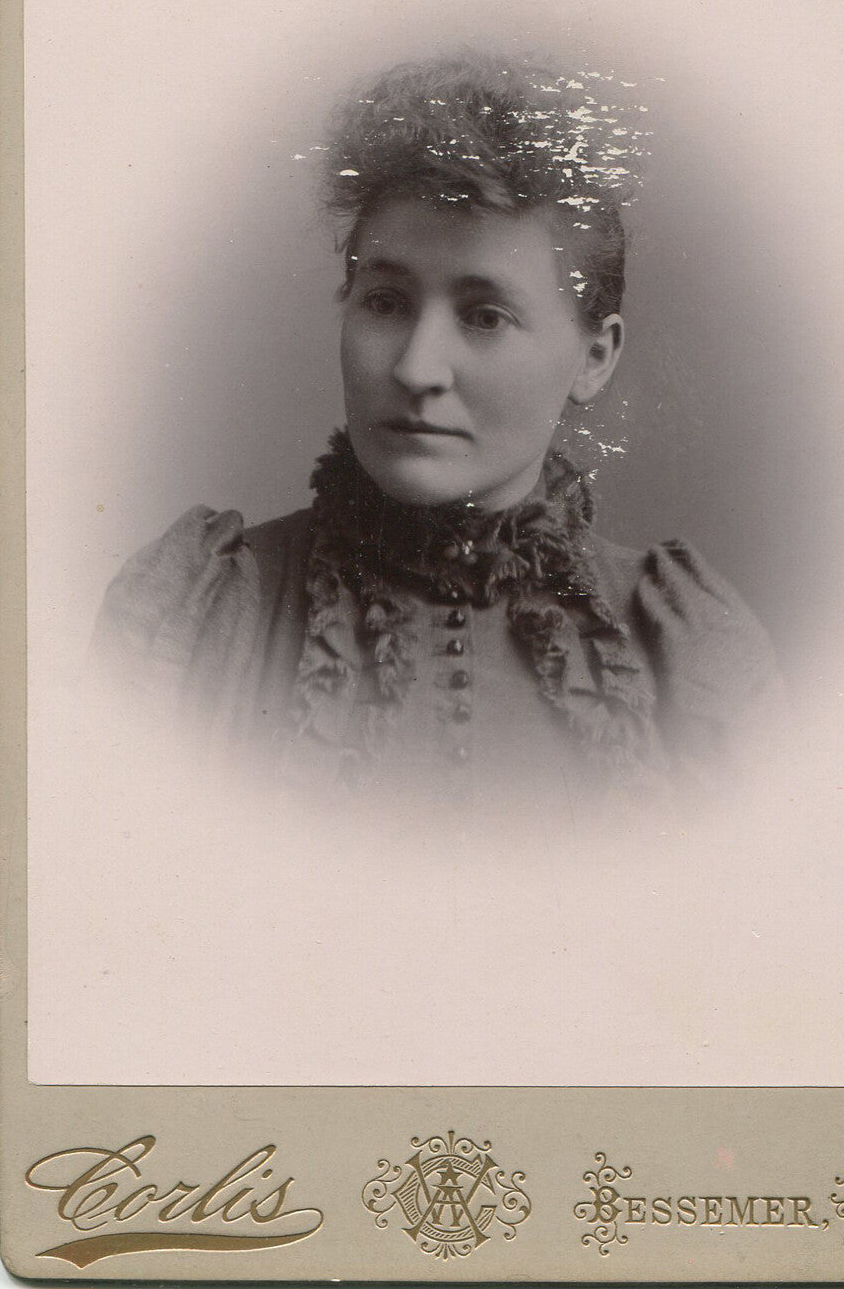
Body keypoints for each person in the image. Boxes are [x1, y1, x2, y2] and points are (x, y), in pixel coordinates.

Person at [92, 54, 781, 807]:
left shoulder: (687, 652)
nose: (419, 367)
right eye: (386, 302)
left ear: (594, 357)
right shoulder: (201, 617)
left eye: (486, 316)